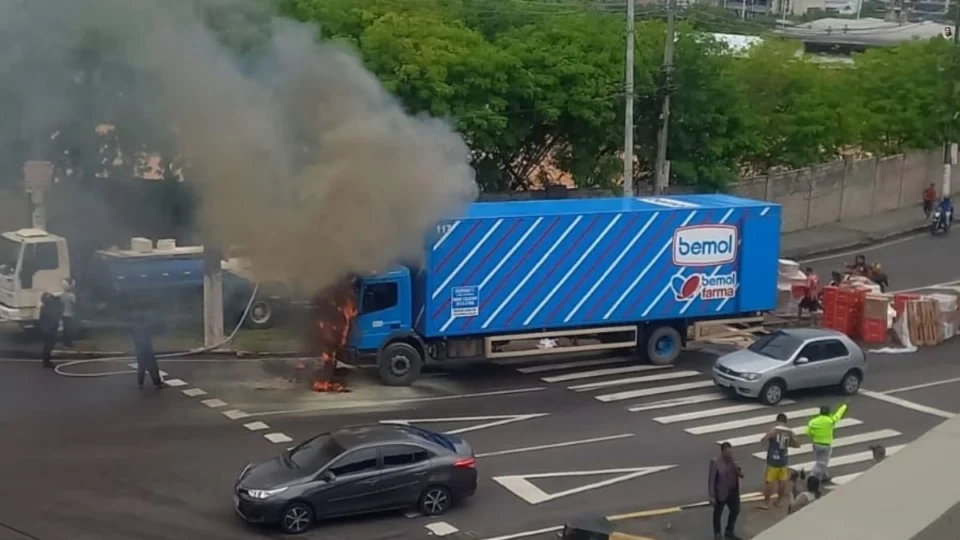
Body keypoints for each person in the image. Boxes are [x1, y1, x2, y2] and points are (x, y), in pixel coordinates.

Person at [758, 413, 800, 510]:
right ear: (785, 422)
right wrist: (788, 444)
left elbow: (763, 441)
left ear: (777, 420)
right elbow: (797, 444)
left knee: (769, 482)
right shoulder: (789, 432)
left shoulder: (774, 430)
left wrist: (766, 441)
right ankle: (779, 501)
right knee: (782, 482)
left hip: (772, 460)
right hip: (783, 460)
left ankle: (766, 503)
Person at [708, 442, 744, 540]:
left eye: (731, 452)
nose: (730, 455)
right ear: (723, 452)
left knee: (735, 510)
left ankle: (729, 531)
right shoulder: (715, 463)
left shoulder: (733, 462)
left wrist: (739, 470)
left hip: (733, 492)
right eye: (728, 453)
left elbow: (741, 475)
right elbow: (711, 480)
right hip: (721, 492)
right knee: (718, 513)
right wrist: (711, 496)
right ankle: (717, 533)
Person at [807, 403, 849, 484]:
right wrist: (844, 406)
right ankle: (812, 477)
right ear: (828, 413)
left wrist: (814, 435)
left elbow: (808, 432)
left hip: (816, 444)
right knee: (821, 462)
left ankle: (824, 476)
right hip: (826, 445)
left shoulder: (813, 422)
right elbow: (838, 415)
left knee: (820, 460)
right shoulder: (830, 421)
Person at [131, 316, 164, 389]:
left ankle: (140, 383)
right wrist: (149, 350)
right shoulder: (143, 330)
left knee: (141, 368)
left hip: (140, 353)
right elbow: (145, 342)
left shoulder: (136, 330)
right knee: (153, 368)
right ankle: (157, 383)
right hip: (146, 352)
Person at [37, 292, 64, 369]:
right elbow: (54, 319)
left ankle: (46, 361)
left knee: (48, 346)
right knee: (48, 346)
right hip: (49, 330)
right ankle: (46, 362)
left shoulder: (44, 307)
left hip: (45, 329)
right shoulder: (49, 309)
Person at [59, 278, 77, 347]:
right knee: (69, 329)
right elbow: (74, 304)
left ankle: (65, 342)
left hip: (63, 313)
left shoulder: (62, 295)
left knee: (65, 329)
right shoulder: (72, 295)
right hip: (70, 314)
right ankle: (69, 343)